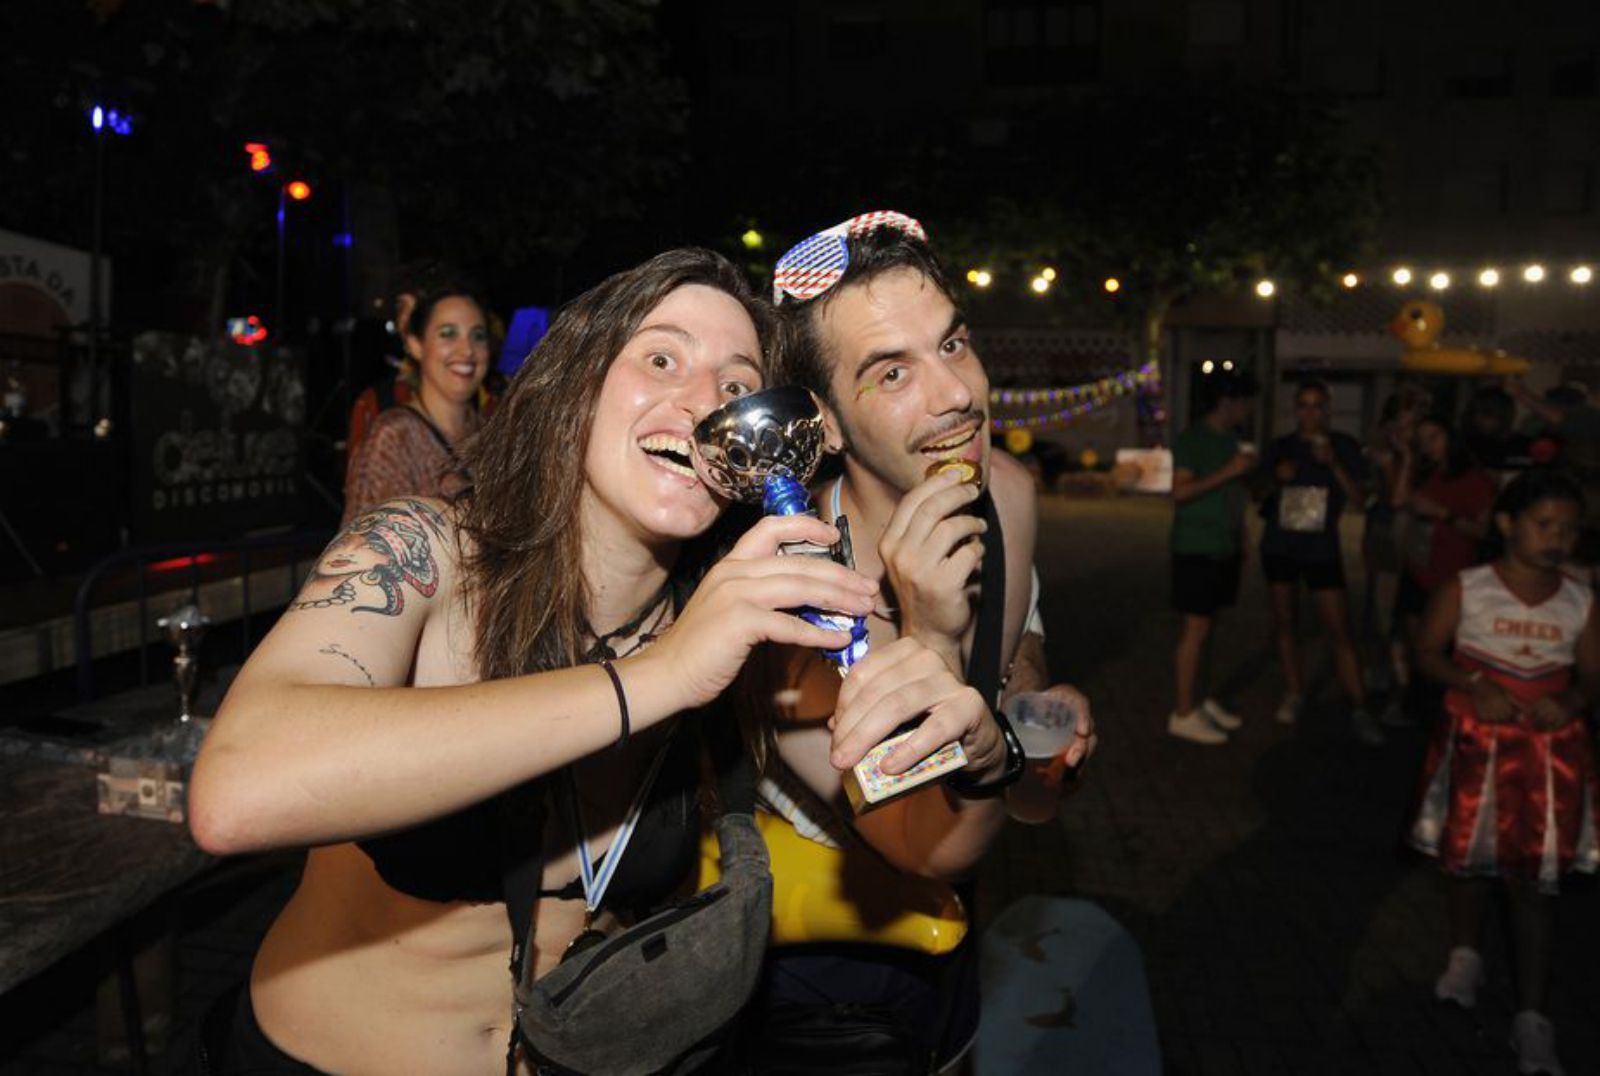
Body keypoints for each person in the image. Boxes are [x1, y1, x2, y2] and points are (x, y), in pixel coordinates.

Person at [187, 248, 983, 1075]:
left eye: (737, 386)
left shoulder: (745, 628)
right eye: (663, 357)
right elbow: (234, 792)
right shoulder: (423, 553)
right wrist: (660, 675)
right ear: (578, 385)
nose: (703, 401)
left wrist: (965, 704)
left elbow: (931, 845)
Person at [750, 211, 1097, 1069]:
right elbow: (927, 844)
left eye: (953, 345)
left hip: (955, 950)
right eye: (892, 372)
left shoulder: (1007, 490)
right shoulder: (786, 593)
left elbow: (1016, 648)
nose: (955, 395)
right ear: (825, 423)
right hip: (815, 977)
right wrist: (935, 638)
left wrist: (1035, 704)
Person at [1409, 468, 1598, 1076]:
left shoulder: (1581, 599)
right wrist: (1472, 683)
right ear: (1507, 524)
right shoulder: (1468, 587)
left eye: (1569, 529)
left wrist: (1569, 701)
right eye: (1544, 524)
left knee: (1534, 886)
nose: (1557, 538)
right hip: (1477, 748)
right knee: (1466, 861)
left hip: (1547, 762)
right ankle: (1465, 954)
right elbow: (1429, 653)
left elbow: (1591, 675)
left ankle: (1533, 1018)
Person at [1258, 378, 1378, 742]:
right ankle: (1294, 692)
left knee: (1339, 630)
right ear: (1295, 410)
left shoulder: (1344, 445)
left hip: (1322, 550)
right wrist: (1278, 479)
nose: (1311, 413)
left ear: (1329, 409)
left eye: (1318, 406)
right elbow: (1258, 493)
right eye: (1304, 406)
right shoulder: (1281, 447)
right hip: (1280, 546)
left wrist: (1335, 464)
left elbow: (1359, 501)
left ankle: (1359, 705)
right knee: (1284, 622)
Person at [342, 273, 493, 524]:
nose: (467, 350)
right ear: (415, 345)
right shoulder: (393, 438)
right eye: (448, 333)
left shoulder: (490, 434)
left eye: (478, 335)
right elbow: (360, 551)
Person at [1166, 368, 1259, 744]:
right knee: (1195, 631)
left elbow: (1235, 495)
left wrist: (1244, 538)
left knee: (1209, 628)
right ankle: (1183, 713)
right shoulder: (1194, 440)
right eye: (1245, 402)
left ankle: (1199, 700)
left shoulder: (1231, 439)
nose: (1248, 410)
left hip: (1224, 545)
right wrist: (1229, 471)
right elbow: (1179, 492)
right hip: (1196, 545)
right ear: (1227, 402)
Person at [1384, 414, 1495, 725]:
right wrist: (1406, 457)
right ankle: (1416, 707)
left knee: (1442, 648)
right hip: (1418, 566)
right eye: (1423, 440)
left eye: (1434, 437)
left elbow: (1482, 530)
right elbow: (1398, 500)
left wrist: (1441, 513)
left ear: (1451, 436)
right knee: (1417, 645)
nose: (1428, 446)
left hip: (1452, 573)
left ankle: (1439, 712)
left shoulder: (1474, 479)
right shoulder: (1427, 472)